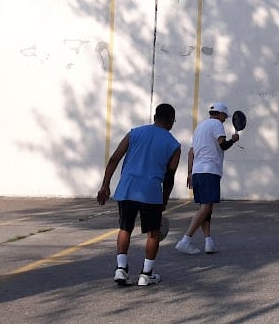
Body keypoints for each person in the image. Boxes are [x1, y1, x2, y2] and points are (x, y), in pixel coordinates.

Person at [97, 103, 181, 285]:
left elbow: (114, 159)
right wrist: (164, 200)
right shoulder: (174, 145)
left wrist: (105, 186)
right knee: (153, 233)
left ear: (155, 117)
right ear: (171, 121)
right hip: (151, 192)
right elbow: (169, 178)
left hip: (127, 188)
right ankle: (146, 274)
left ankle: (121, 269)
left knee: (125, 228)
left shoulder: (134, 133)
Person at [175, 102, 239, 255]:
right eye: (225, 116)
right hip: (209, 171)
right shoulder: (217, 124)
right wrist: (233, 140)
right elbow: (222, 145)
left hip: (198, 171)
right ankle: (185, 240)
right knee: (206, 208)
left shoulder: (199, 128)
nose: (225, 120)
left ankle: (208, 242)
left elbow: (191, 152)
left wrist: (190, 172)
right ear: (221, 114)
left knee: (205, 208)